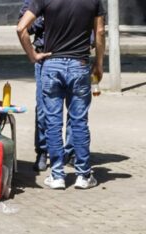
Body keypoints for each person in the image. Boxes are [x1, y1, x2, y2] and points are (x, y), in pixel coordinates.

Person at [18, 0, 106, 189]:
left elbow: (21, 28)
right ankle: (83, 175)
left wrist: (32, 55)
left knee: (52, 122)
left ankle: (57, 175)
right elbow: (99, 32)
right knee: (79, 121)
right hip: (80, 64)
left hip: (52, 64)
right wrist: (99, 63)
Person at [19, 0, 74, 172]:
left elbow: (93, 26)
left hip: (73, 57)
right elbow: (23, 26)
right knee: (44, 108)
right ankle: (43, 150)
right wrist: (44, 19)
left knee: (74, 109)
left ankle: (71, 152)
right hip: (46, 58)